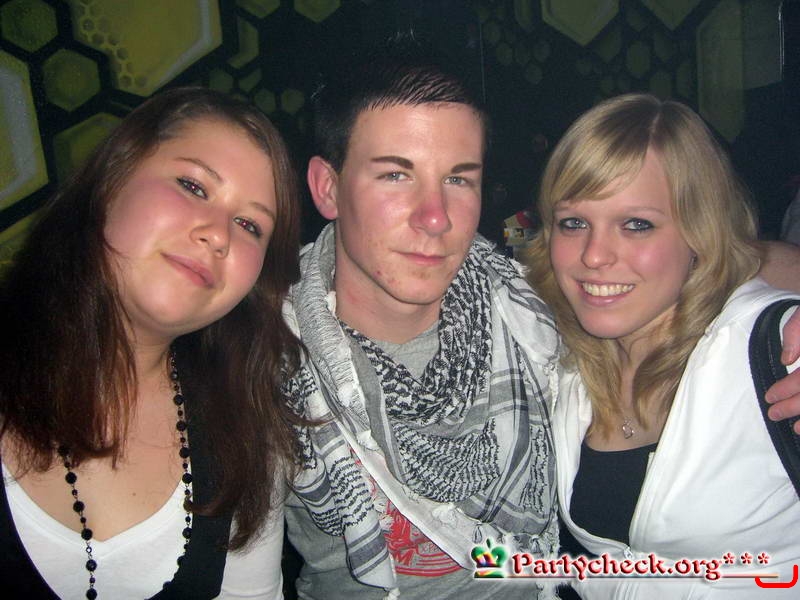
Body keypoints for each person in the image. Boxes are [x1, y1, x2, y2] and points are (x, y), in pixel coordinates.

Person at [281, 44, 560, 599]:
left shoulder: (538, 315)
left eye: (458, 180)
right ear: (328, 188)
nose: (435, 217)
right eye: (395, 175)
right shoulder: (264, 356)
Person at [0, 87, 302, 598]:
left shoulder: (246, 430)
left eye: (250, 225)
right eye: (193, 186)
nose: (219, 235)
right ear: (112, 179)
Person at [526, 93, 800, 598]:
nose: (594, 256)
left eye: (637, 224)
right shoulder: (560, 358)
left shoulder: (774, 353)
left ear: (699, 231)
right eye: (574, 222)